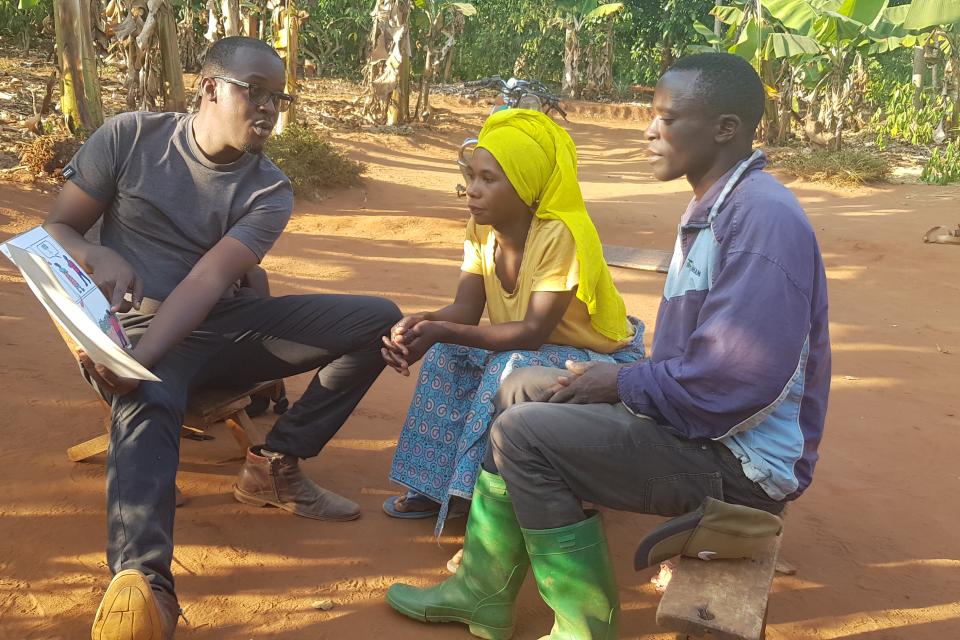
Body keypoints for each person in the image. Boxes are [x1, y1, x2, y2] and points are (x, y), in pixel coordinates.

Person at [385, 52, 831, 640]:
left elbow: (736, 380)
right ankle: (482, 591)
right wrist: (623, 386)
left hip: (739, 462)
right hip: (699, 424)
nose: (649, 131)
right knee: (518, 387)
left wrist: (619, 383)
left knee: (524, 435)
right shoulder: (720, 206)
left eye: (667, 118)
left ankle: (583, 628)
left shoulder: (759, 221)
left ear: (725, 128)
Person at [43, 37, 401, 640]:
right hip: (135, 326)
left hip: (225, 327)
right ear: (209, 88)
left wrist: (142, 359)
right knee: (146, 397)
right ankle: (145, 588)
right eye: (253, 91)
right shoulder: (130, 138)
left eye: (278, 98)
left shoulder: (268, 189)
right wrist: (94, 253)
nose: (268, 108)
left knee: (378, 319)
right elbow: (57, 227)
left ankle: (275, 463)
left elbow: (208, 279)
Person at [379, 109, 644, 533]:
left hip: (596, 363)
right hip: (532, 347)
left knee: (510, 367)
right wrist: (421, 325)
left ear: (526, 187)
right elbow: (464, 311)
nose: (472, 189)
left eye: (489, 179)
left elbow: (532, 333)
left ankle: (480, 500)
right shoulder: (480, 229)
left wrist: (441, 329)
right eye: (472, 176)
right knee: (447, 353)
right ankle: (433, 485)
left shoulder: (560, 234)